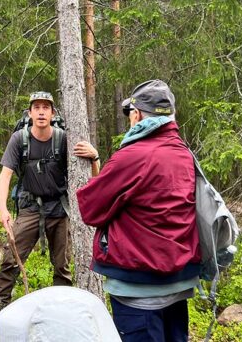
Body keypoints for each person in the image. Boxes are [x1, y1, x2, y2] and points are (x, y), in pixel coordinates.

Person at [74, 79, 200, 342]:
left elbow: (91, 210)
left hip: (138, 286)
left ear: (138, 114)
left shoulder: (132, 156)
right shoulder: (184, 154)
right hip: (178, 281)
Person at [0, 91, 96, 318]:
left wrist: (95, 158)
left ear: (52, 113)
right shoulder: (19, 139)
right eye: (36, 107)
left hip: (59, 209)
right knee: (11, 258)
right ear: (30, 113)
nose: (40, 112)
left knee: (62, 265)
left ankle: (61, 314)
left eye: (45, 107)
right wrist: (3, 208)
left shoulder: (64, 138)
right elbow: (5, 174)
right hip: (30, 208)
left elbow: (92, 178)